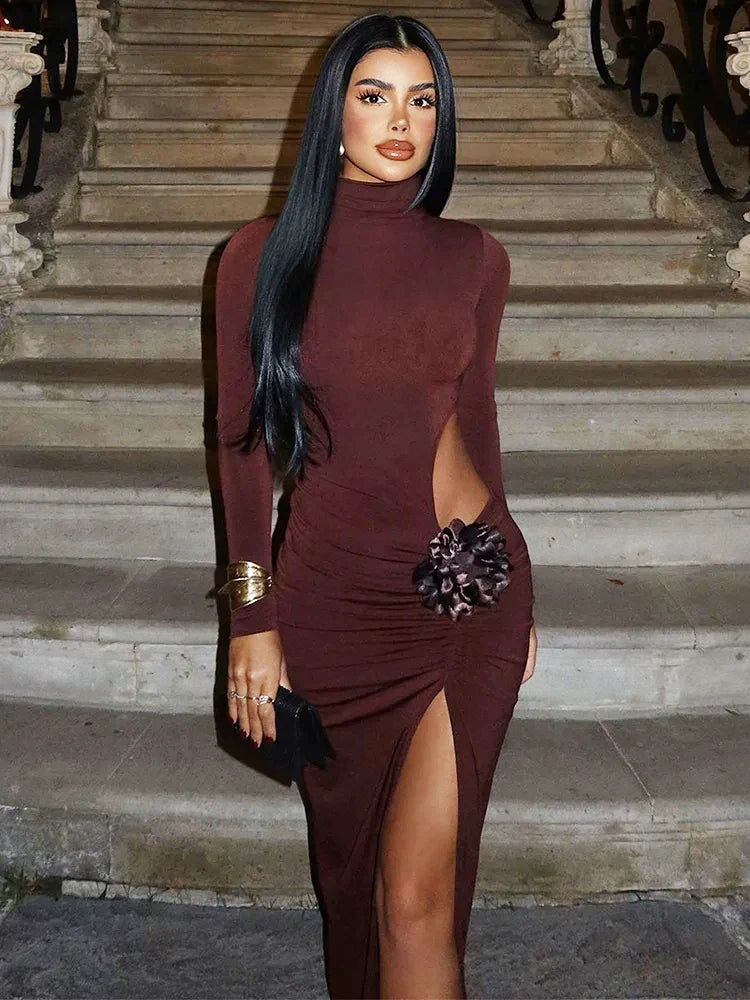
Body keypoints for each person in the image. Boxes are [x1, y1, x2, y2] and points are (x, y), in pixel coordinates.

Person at [216, 12, 537, 999]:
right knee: (353, 884)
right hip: (331, 608)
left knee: (418, 900)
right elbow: (239, 447)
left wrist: (516, 587)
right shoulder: (258, 258)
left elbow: (476, 427)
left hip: (463, 601)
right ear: (334, 113)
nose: (401, 120)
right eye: (375, 95)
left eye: (423, 99)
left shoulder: (476, 258)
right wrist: (253, 617)